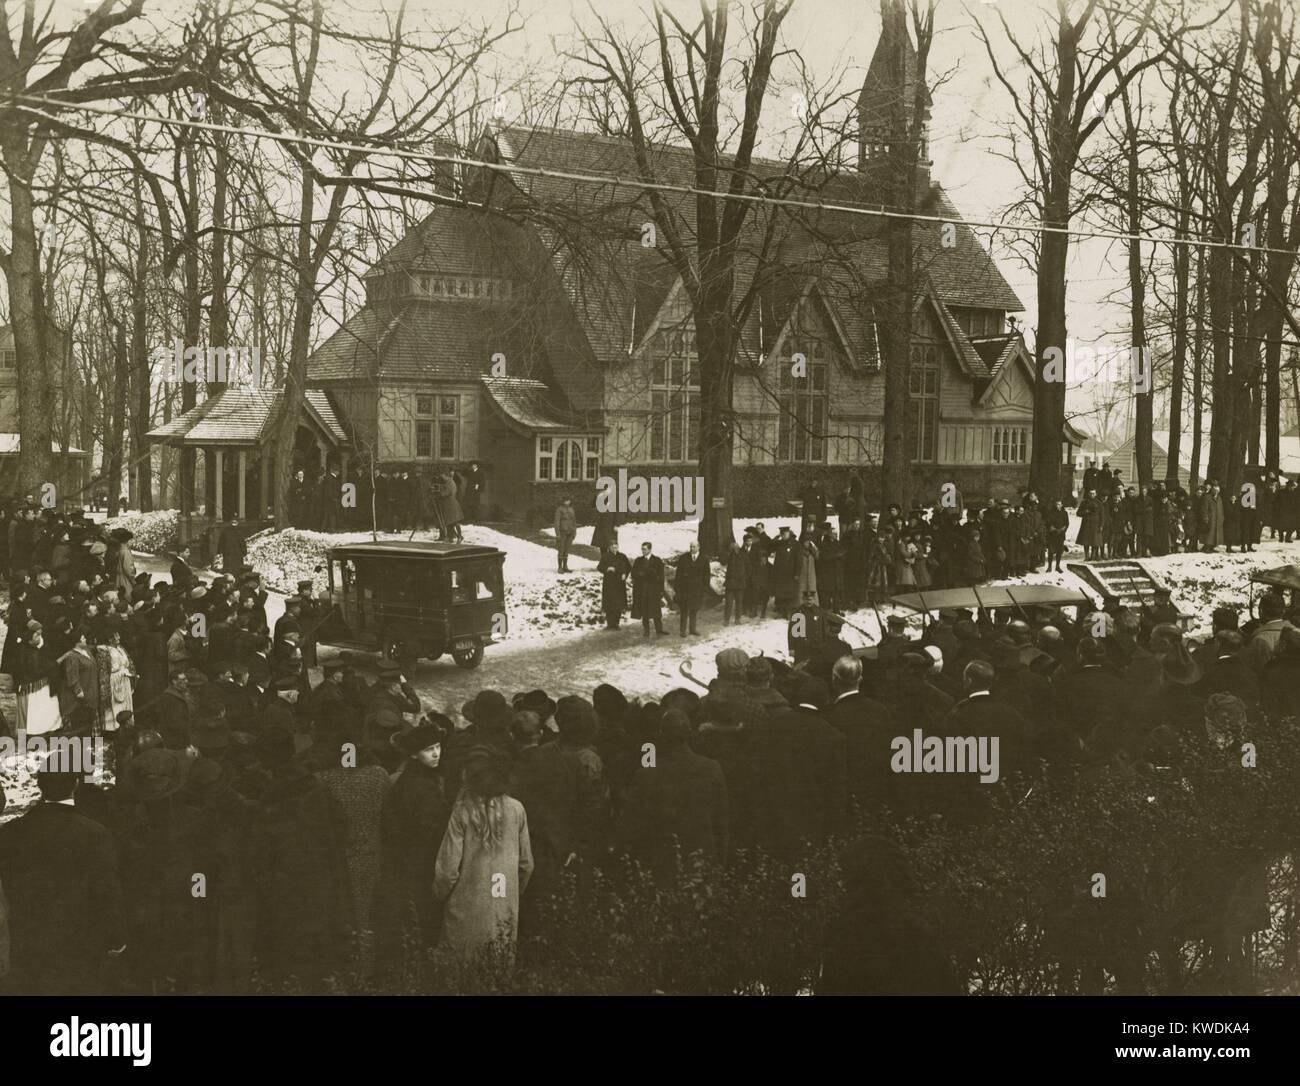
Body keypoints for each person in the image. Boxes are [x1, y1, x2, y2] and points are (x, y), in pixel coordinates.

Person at [0, 768, 126, 994]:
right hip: (80, 941)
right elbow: (106, 892)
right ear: (75, 785)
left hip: (27, 940)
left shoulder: (10, 832)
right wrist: (116, 937)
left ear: (39, 786)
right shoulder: (95, 833)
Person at [433, 747, 534, 971]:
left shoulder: (462, 811)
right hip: (504, 903)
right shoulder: (517, 809)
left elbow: (447, 870)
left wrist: (439, 896)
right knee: (497, 968)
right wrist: (512, 892)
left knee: (460, 970)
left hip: (465, 904)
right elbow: (526, 864)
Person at [616, 709, 729, 885]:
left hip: (660, 863)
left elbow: (632, 824)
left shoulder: (646, 773)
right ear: (689, 733)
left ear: (661, 735)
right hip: (701, 859)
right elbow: (721, 821)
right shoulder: (712, 768)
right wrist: (720, 861)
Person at [16, 624, 62, 736]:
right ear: (29, 638)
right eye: (37, 635)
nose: (39, 638)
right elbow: (35, 670)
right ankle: (37, 731)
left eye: (40, 635)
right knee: (37, 709)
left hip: (40, 683)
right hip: (33, 686)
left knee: (46, 707)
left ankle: (47, 728)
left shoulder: (38, 648)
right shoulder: (26, 652)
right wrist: (54, 665)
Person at [673, 540, 709, 636]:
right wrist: (678, 589)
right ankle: (683, 630)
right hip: (685, 590)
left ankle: (692, 629)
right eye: (690, 547)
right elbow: (678, 574)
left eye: (694, 547)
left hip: (697, 590)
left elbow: (706, 576)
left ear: (698, 547)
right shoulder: (683, 558)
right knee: (684, 610)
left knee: (694, 609)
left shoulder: (704, 559)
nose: (691, 548)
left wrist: (704, 589)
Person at [631, 541, 666, 637]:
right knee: (644, 611)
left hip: (653, 590)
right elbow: (633, 573)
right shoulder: (638, 560)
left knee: (656, 611)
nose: (643, 551)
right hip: (642, 590)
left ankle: (659, 629)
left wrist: (661, 590)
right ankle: (646, 631)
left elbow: (661, 576)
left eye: (645, 549)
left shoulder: (657, 560)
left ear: (650, 549)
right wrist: (640, 574)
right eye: (642, 549)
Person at [596, 542, 631, 629]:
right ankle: (609, 624)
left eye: (616, 547)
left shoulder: (622, 556)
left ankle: (616, 623)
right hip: (609, 583)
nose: (615, 549)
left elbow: (628, 567)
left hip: (619, 583)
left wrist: (625, 574)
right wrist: (607, 568)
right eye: (613, 547)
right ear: (609, 547)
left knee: (618, 603)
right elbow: (599, 567)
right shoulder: (605, 556)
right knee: (609, 603)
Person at [553, 498, 577, 573]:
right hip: (562, 532)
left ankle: (565, 566)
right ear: (563, 501)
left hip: (570, 532)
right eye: (566, 500)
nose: (568, 502)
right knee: (561, 549)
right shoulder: (559, 510)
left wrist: (574, 532)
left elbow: (574, 521)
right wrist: (557, 534)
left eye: (569, 500)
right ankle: (560, 567)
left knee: (566, 550)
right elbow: (556, 522)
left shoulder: (571, 509)